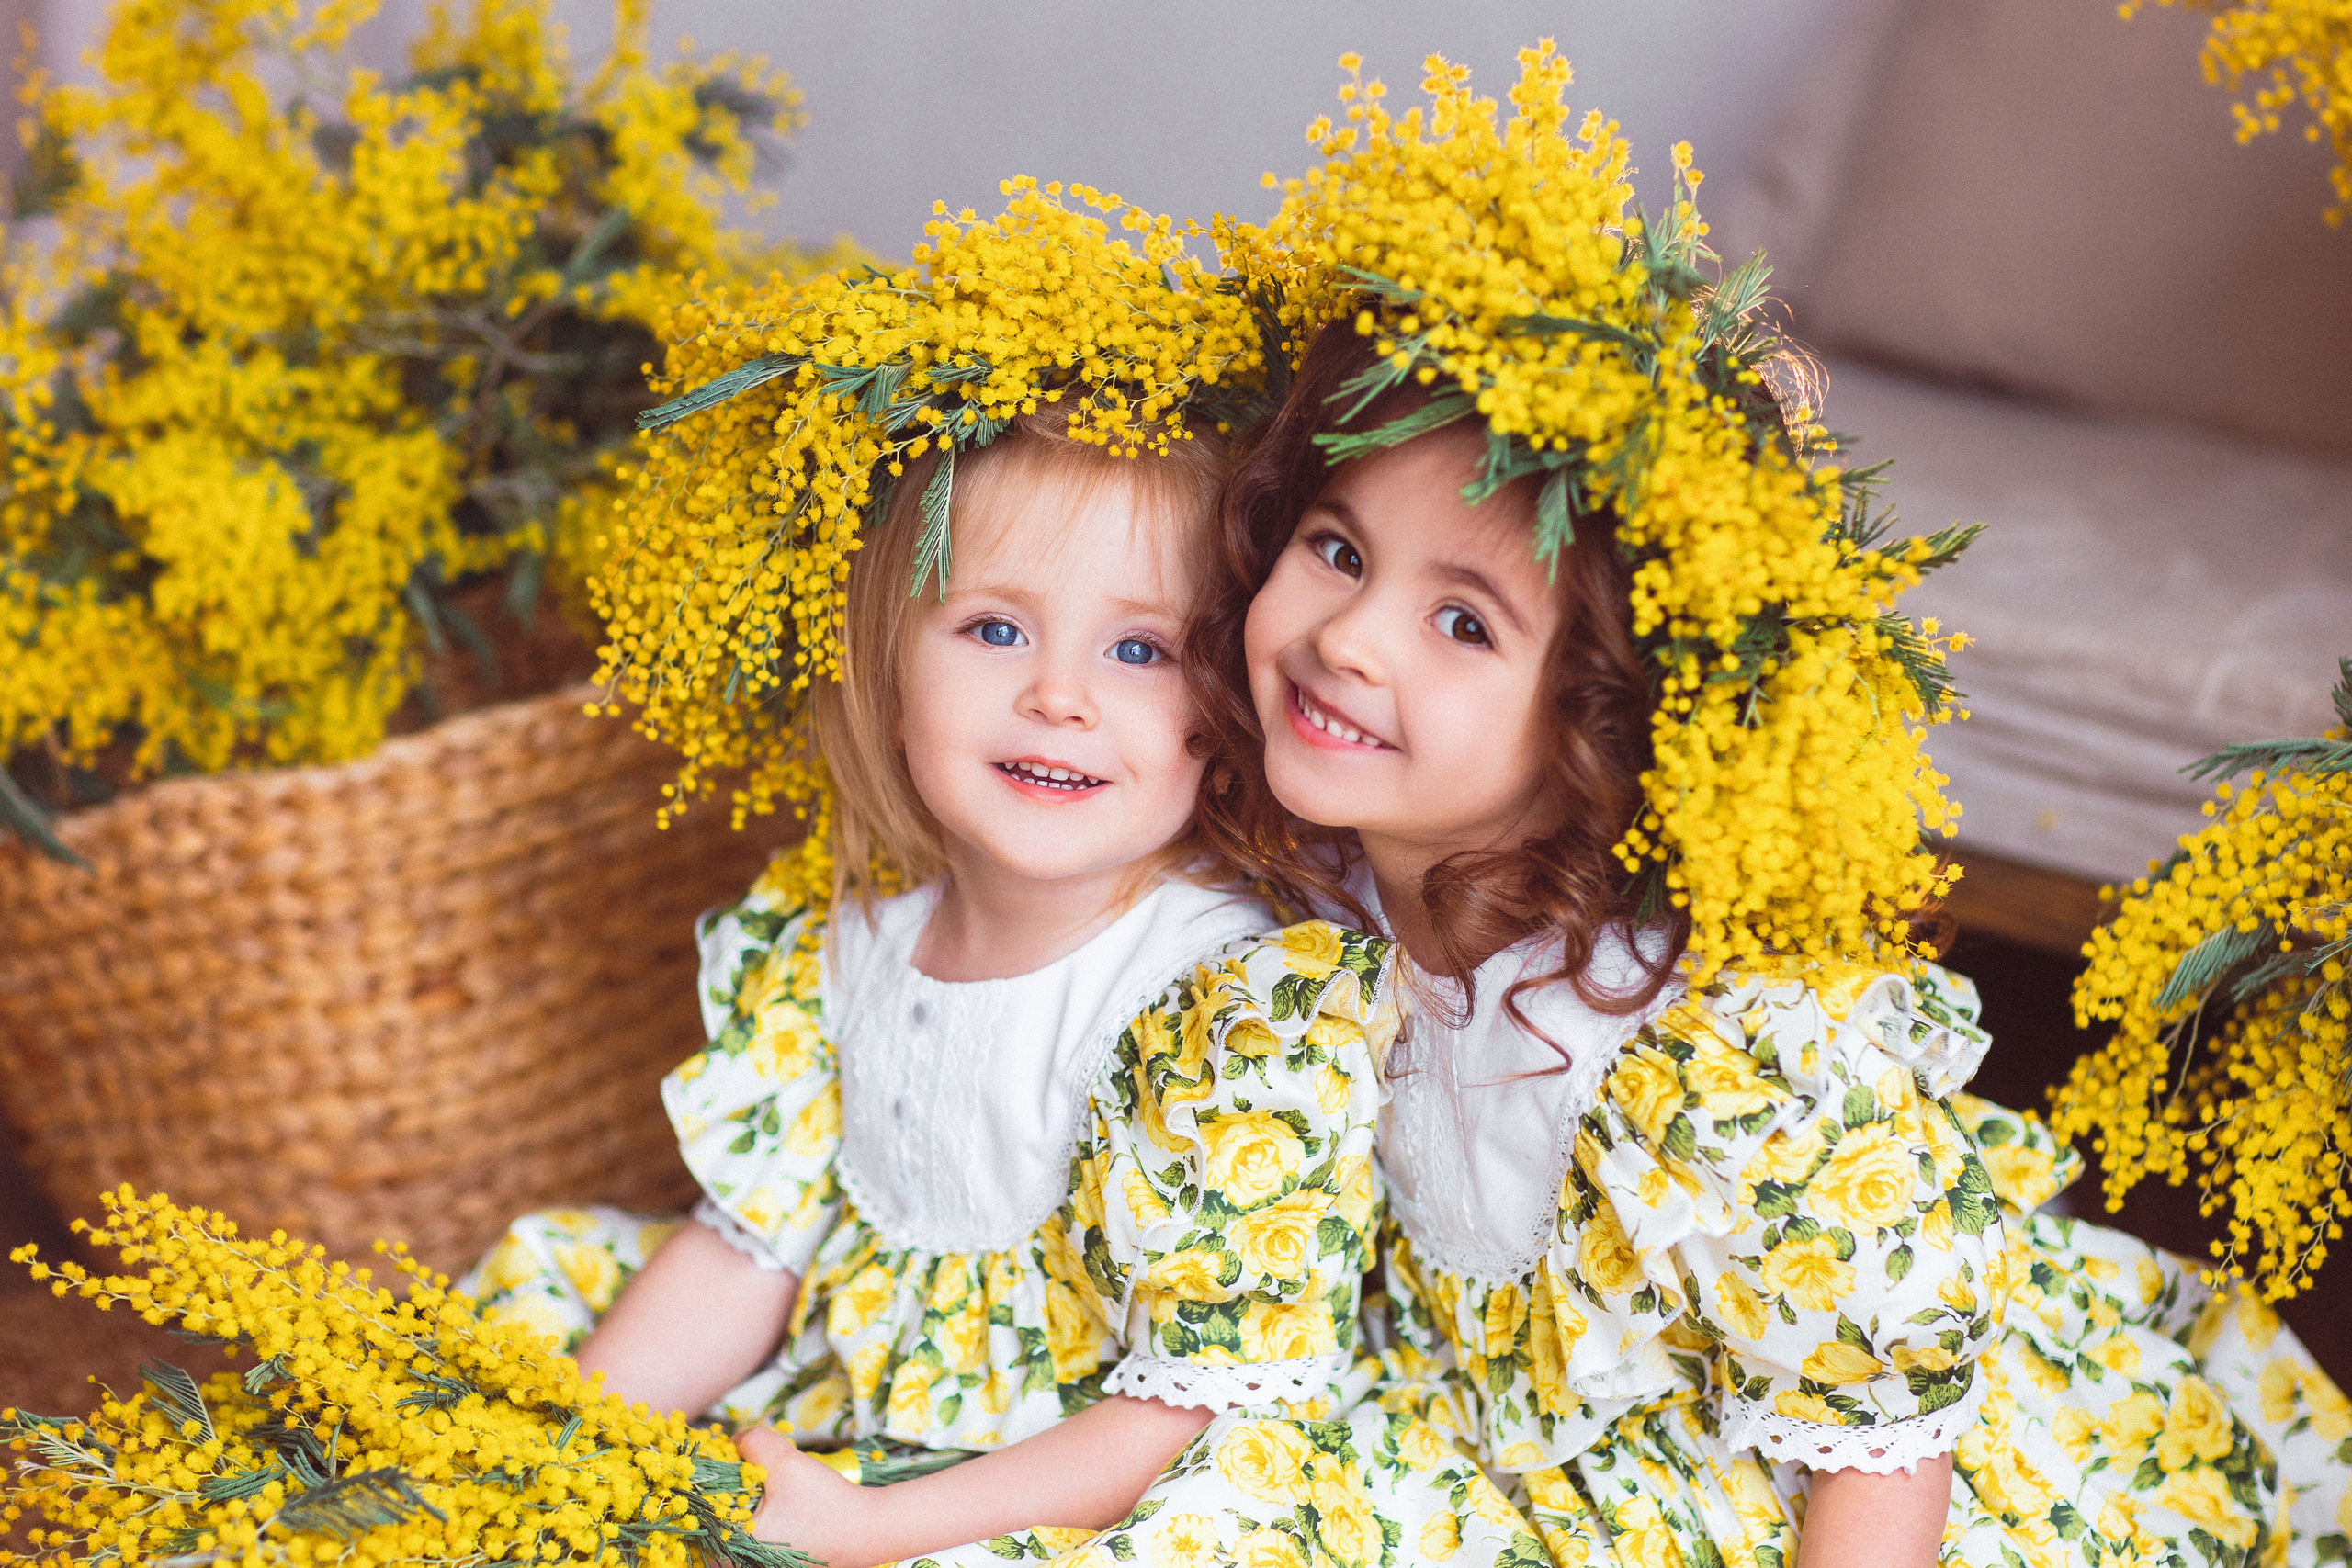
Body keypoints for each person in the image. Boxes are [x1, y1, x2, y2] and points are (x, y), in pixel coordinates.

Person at [1182, 44, 2352, 1568]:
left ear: (1602, 718)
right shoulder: (1318, 897)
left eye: (1464, 623)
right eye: (1338, 550)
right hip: (1526, 1457)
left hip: (1844, 1501)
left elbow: (1881, 1452)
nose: (1348, 636)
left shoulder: (1709, 1053)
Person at [465, 186, 1547, 1568]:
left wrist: (878, 1528)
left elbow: (1185, 1407)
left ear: (1224, 691)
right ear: (886, 656)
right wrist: (550, 1460)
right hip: (861, 1421)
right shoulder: (841, 939)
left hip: (1092, 1476)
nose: (1057, 699)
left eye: (1138, 652)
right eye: (992, 628)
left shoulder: (1221, 1002)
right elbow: (749, 1256)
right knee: (542, 1353)